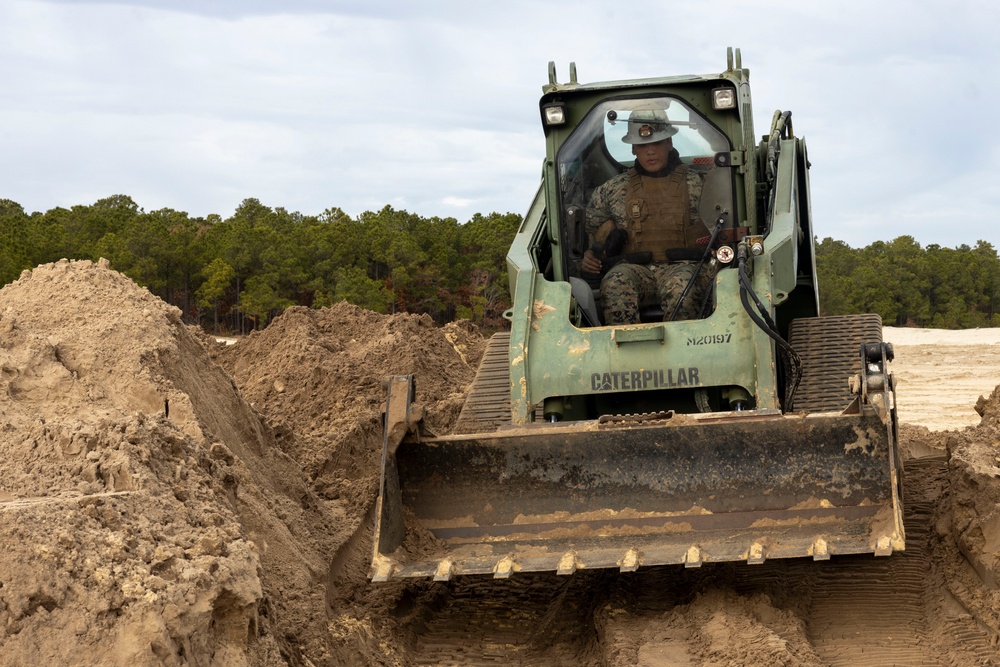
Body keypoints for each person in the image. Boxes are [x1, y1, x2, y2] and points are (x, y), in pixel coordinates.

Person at [582, 109, 713, 325]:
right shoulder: (612, 190)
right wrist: (589, 256)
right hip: (636, 269)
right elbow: (593, 234)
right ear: (633, 149)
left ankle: (684, 354)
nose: (650, 152)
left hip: (684, 267)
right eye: (643, 146)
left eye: (657, 144)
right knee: (615, 282)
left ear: (669, 143)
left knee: (682, 286)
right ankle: (626, 353)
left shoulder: (700, 184)